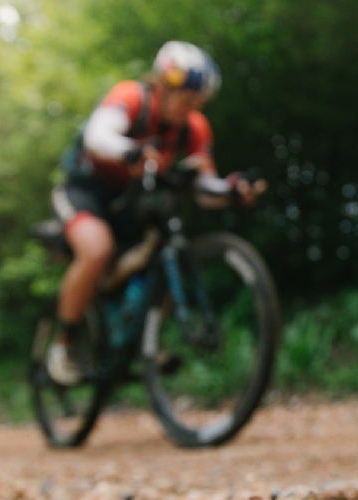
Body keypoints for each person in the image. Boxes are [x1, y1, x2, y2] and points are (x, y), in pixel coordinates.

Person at [47, 41, 261, 385]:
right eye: (186, 98)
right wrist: (130, 151)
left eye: (198, 102)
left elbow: (205, 188)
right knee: (97, 250)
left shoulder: (195, 128)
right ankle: (63, 345)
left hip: (130, 201)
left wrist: (232, 190)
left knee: (161, 255)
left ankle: (145, 341)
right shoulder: (132, 97)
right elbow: (97, 136)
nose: (191, 108)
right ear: (164, 84)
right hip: (86, 190)